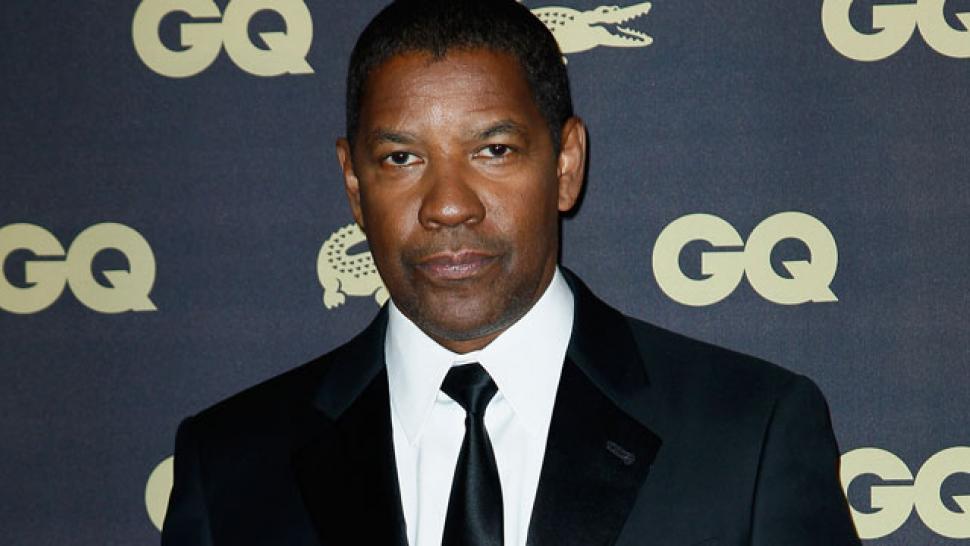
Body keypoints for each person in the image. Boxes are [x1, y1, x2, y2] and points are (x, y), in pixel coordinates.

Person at [161, 1, 861, 544]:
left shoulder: (749, 436)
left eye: (493, 150)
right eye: (401, 158)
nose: (448, 205)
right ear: (353, 185)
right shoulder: (229, 467)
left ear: (566, 164)